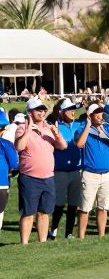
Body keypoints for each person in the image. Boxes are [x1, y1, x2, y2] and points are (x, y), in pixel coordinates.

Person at [15, 98, 69, 243]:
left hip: (48, 177)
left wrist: (56, 134)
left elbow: (63, 146)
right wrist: (28, 130)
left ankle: (42, 242)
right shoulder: (21, 127)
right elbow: (19, 147)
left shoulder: (49, 128)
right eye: (38, 109)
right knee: (28, 213)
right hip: (29, 177)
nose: (42, 112)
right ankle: (24, 244)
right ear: (30, 112)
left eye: (44, 109)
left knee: (45, 212)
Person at [74, 103, 109, 239]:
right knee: (85, 208)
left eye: (101, 113)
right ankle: (81, 237)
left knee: (103, 207)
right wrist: (89, 126)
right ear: (90, 116)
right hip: (90, 174)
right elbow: (79, 144)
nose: (100, 116)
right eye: (97, 114)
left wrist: (104, 132)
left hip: (106, 174)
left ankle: (101, 236)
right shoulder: (82, 128)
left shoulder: (108, 127)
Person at [51, 99, 84, 239]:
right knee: (58, 204)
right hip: (60, 171)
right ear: (62, 112)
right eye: (69, 110)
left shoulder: (78, 126)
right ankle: (53, 231)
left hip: (76, 170)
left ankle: (69, 233)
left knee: (73, 204)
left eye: (73, 109)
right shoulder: (55, 127)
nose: (73, 112)